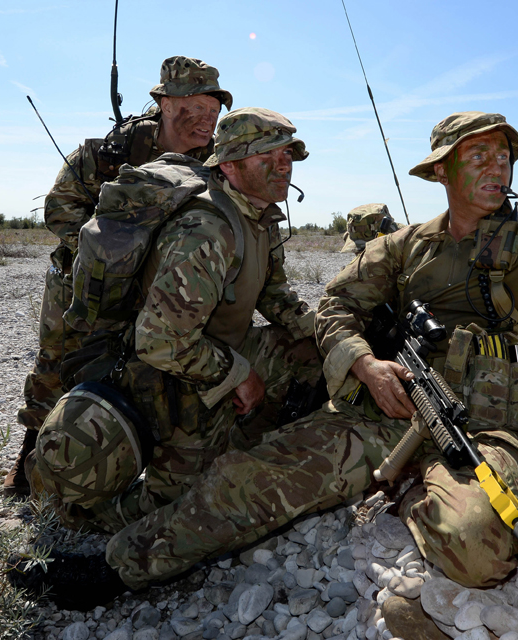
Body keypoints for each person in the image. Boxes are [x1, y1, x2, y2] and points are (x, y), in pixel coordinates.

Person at [10, 110, 518, 613]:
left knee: (484, 551)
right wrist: (363, 365)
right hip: (383, 411)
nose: (496, 166)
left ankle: (411, 500)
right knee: (249, 484)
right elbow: (331, 311)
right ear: (444, 171)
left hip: (487, 427)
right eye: (478, 155)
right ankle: (113, 567)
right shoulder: (400, 248)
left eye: (504, 155)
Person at [27, 108, 323, 537]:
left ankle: (241, 435)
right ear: (230, 164)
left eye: (288, 155)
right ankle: (77, 513)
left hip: (208, 358)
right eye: (268, 155)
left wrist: (333, 336)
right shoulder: (207, 230)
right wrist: (239, 374)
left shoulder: (261, 219)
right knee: (185, 510)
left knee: (306, 352)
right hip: (165, 382)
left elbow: (274, 296)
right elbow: (160, 343)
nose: (283, 166)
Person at [5, 56, 233, 497]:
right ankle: (30, 458)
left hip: (159, 286)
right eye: (198, 109)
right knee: (57, 363)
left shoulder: (217, 164)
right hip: (82, 281)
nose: (208, 122)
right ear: (166, 105)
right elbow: (59, 208)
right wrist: (106, 248)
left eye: (214, 112)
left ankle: (122, 458)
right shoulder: (110, 153)